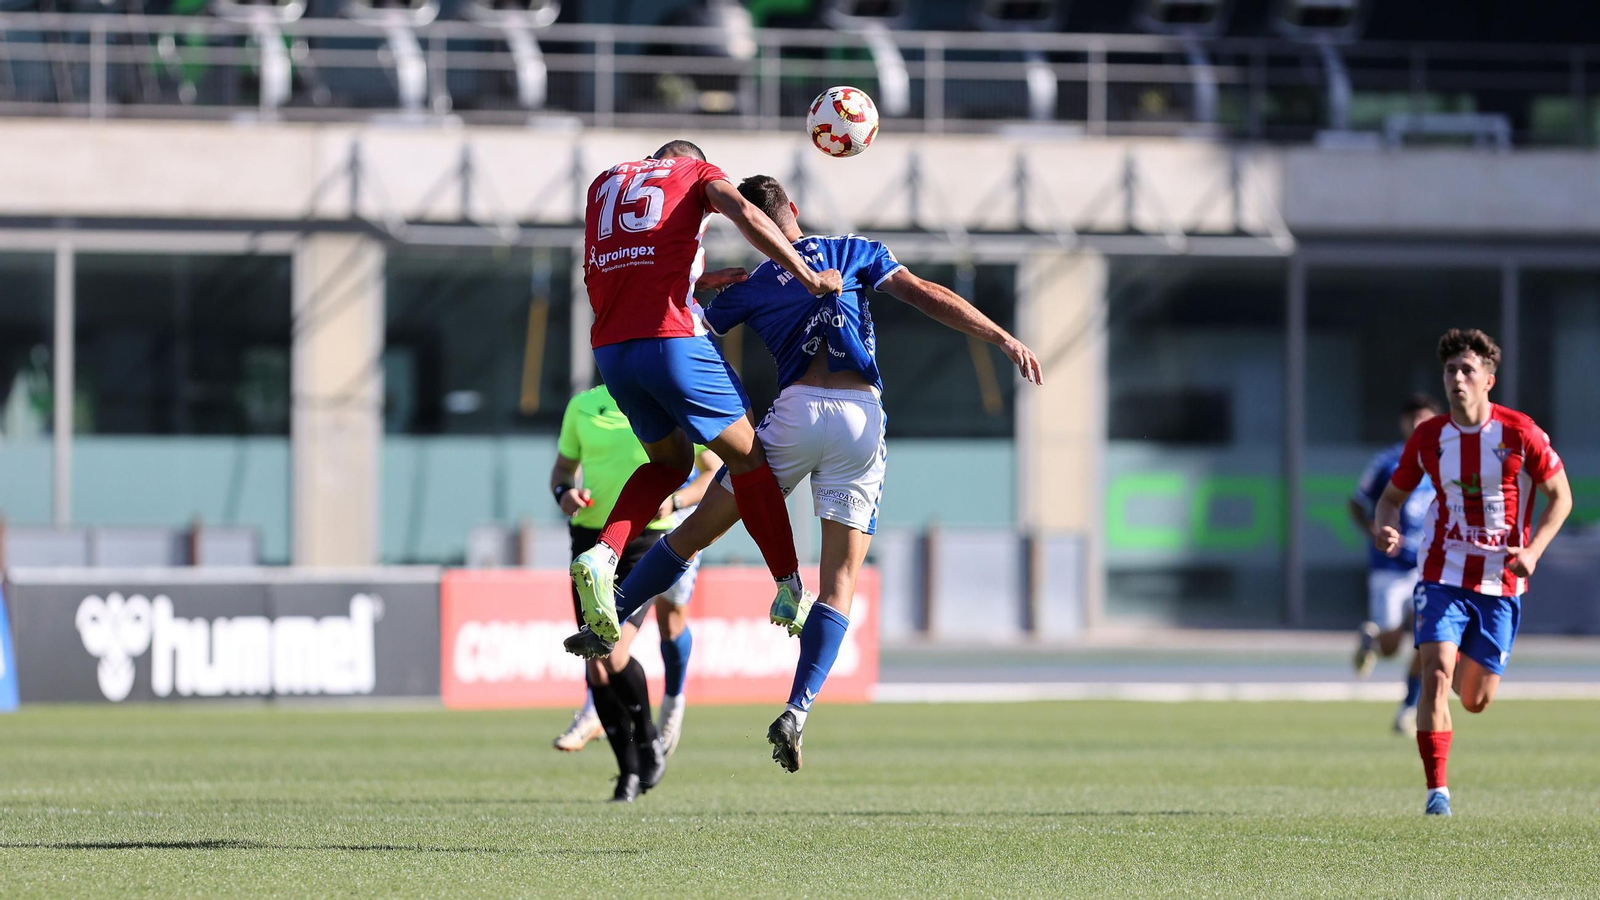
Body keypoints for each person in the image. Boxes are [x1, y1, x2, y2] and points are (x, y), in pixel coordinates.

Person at [574, 174, 1043, 773]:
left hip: (792, 416)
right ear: (792, 208)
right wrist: (1001, 336)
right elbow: (924, 293)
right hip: (859, 418)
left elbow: (690, 330)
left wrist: (699, 287)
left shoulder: (754, 282)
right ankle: (797, 708)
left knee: (689, 536)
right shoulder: (854, 250)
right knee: (840, 580)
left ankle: (612, 618)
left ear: (752, 223)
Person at [567, 139, 844, 663]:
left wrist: (695, 280)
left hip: (611, 350)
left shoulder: (603, 184)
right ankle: (788, 585)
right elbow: (745, 213)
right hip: (671, 342)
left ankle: (603, 554)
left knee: (669, 464)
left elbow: (615, 269)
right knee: (749, 456)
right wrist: (808, 276)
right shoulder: (694, 173)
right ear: (687, 160)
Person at [1372, 328, 1572, 816]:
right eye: (1450, 370)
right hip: (1442, 572)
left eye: (1467, 370)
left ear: (1488, 380)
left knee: (1475, 699)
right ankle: (1437, 791)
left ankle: (1458, 648)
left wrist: (1533, 551)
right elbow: (1390, 499)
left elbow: (1561, 497)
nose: (1457, 378)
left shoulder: (1520, 432)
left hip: (1501, 583)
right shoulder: (1429, 437)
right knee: (1436, 671)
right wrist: (1385, 527)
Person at [550, 384, 721, 802]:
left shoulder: (664, 398)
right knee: (596, 666)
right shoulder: (583, 405)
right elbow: (562, 470)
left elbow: (713, 471)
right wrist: (564, 494)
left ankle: (648, 743)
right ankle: (627, 773)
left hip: (645, 539)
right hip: (590, 543)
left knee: (613, 653)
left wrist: (675, 501)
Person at [1350, 393, 1443, 735]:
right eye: (1413, 418)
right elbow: (1356, 503)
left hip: (1429, 567)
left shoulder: (1447, 461)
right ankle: (1373, 638)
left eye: (1425, 418)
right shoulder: (1387, 462)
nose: (1419, 424)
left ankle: (1408, 708)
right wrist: (1375, 532)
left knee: (1429, 640)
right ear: (1404, 423)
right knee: (1391, 647)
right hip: (1389, 567)